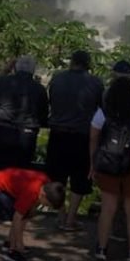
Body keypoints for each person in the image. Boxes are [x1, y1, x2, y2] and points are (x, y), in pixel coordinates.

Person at [89, 76, 130, 261]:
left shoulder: (103, 113)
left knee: (107, 208)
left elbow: (93, 137)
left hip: (109, 161)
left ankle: (101, 248)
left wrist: (93, 162)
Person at [46, 50, 103, 231]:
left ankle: (60, 215)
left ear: (72, 62)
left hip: (58, 134)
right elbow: (101, 109)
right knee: (80, 178)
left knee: (57, 176)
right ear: (88, 63)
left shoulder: (57, 79)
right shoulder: (95, 83)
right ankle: (71, 219)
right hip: (82, 136)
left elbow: (51, 101)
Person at [0, 167, 65, 261]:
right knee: (17, 216)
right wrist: (19, 243)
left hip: (11, 182)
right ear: (43, 195)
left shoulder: (47, 184)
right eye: (46, 204)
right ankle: (12, 250)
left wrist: (31, 211)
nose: (45, 206)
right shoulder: (31, 192)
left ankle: (9, 242)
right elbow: (17, 218)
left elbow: (29, 211)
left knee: (25, 214)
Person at [0, 55, 48, 170]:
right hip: (27, 134)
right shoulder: (40, 89)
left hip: (1, 130)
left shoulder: (4, 81)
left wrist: (5, 71)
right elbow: (43, 115)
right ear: (33, 70)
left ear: (16, 68)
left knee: (0, 169)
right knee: (22, 171)